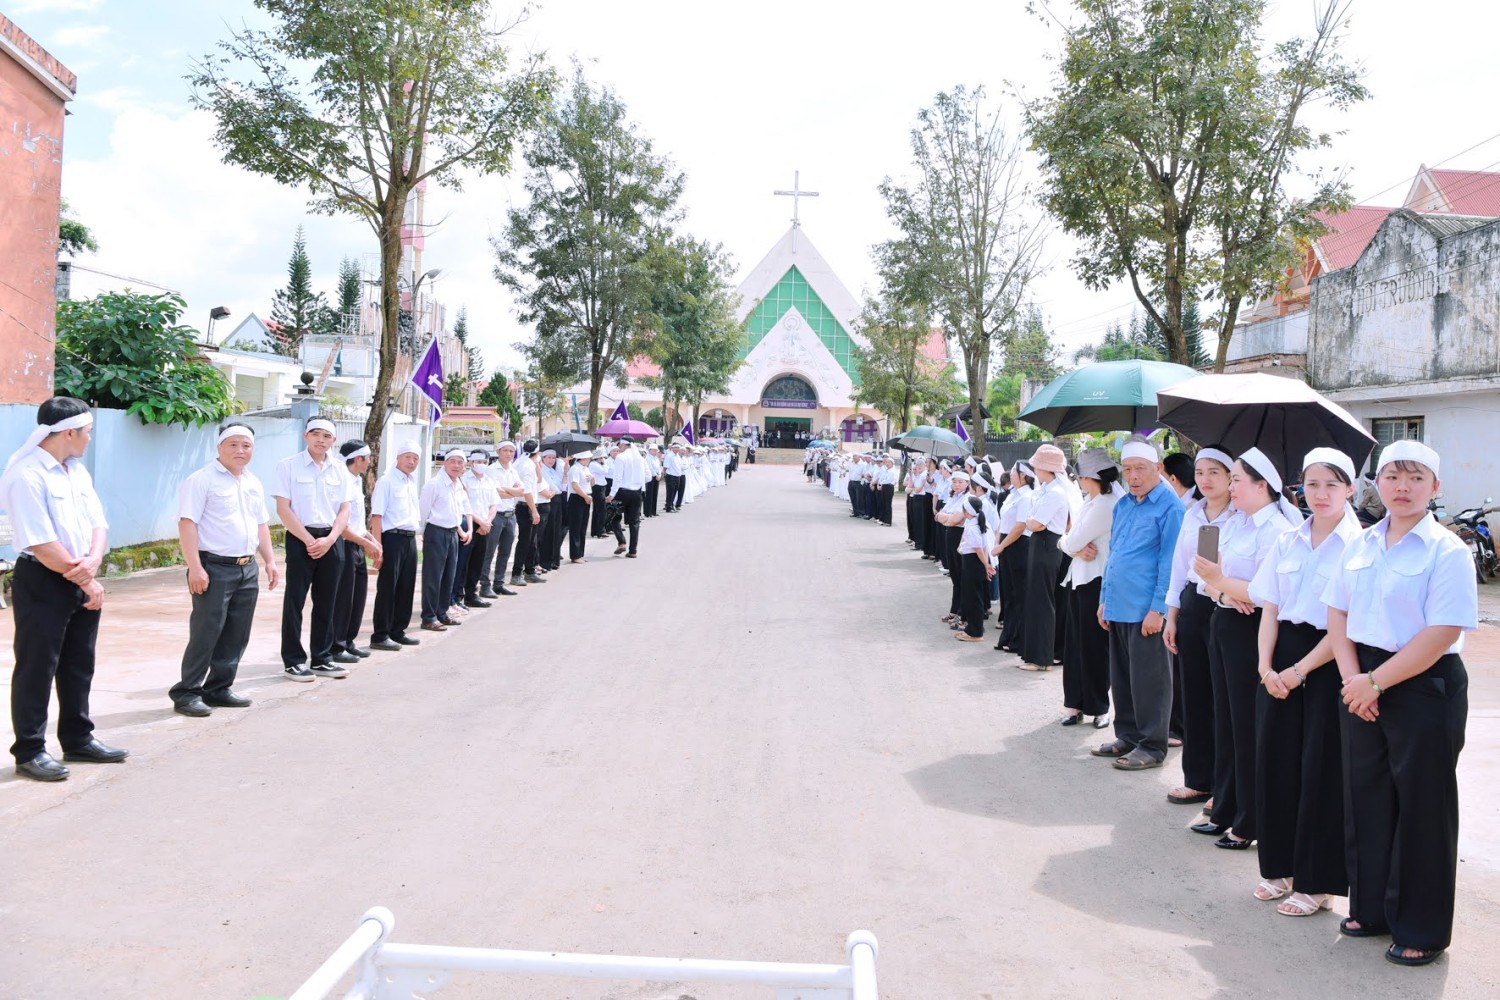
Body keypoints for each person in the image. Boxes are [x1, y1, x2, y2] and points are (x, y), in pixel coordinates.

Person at [1325, 440, 1476, 966]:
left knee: (1422, 808)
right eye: (1392, 477)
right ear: (1377, 485)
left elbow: (1443, 631)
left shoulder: (1447, 551)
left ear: (1435, 487)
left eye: (1415, 478)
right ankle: (1371, 909)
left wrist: (1375, 683)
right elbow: (1337, 614)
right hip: (1361, 678)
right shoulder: (1360, 542)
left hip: (1423, 682)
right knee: (1366, 796)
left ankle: (1421, 928)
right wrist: (1354, 680)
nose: (1402, 487)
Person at [1247, 448, 1361, 919]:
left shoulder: (1361, 544)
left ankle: (1317, 883)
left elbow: (1345, 624)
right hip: (1279, 659)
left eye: (1332, 484)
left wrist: (1299, 671)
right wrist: (1264, 667)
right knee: (1275, 763)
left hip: (1329, 658)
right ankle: (1279, 868)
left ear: (1350, 489)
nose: (1320, 493)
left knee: (1321, 770)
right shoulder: (1288, 539)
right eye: (1312, 484)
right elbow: (1269, 608)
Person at [1, 397, 122, 781]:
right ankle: (30, 751)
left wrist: (93, 561)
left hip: (81, 574)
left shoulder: (77, 472)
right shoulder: (27, 475)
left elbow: (98, 524)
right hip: (43, 580)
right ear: (69, 432)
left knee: (78, 664)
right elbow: (41, 543)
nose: (89, 439)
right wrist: (87, 579)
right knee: (38, 665)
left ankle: (77, 738)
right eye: (87, 432)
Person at [1192, 447, 1302, 848]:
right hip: (1224, 623)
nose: (1231, 486)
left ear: (1262, 485)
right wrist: (1224, 590)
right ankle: (1224, 809)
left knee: (1247, 725)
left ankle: (1249, 821)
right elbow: (1201, 577)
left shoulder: (1277, 531)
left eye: (1237, 479)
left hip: (1254, 632)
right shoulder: (1236, 522)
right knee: (1225, 721)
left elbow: (1262, 594)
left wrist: (1223, 584)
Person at [170, 423, 279, 717]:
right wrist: (195, 567)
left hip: (246, 567)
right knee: (206, 632)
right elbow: (187, 523)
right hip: (213, 567)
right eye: (233, 444)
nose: (240, 451)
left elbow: (260, 524)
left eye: (246, 445)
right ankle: (187, 692)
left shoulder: (253, 482)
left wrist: (269, 561)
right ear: (219, 447)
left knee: (237, 633)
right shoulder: (201, 480)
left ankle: (218, 688)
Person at [1092, 438, 1185, 772]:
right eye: (1127, 469)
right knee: (1123, 678)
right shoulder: (1124, 504)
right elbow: (1115, 553)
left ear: (1157, 468)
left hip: (1146, 608)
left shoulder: (1170, 507)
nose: (1132, 476)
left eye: (1140, 469)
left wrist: (1158, 609)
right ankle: (1128, 736)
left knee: (1150, 681)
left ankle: (1152, 745)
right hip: (1118, 603)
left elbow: (1170, 561)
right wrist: (1104, 599)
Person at [1163, 446, 1236, 808]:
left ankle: (1225, 786)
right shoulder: (1192, 513)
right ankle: (1198, 778)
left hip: (1229, 605)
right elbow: (1179, 566)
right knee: (1194, 695)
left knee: (1224, 699)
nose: (1206, 480)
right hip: (1194, 603)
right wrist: (1172, 615)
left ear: (1231, 477)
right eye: (1200, 473)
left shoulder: (1242, 515)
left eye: (1214, 473)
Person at [272, 417, 352, 682]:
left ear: (333, 440)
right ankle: (293, 661)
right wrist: (308, 540)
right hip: (300, 538)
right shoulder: (288, 466)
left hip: (332, 540)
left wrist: (330, 539)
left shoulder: (339, 469)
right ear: (305, 436)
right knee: (295, 601)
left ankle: (322, 658)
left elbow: (344, 509)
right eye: (316, 434)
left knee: (328, 601)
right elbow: (283, 508)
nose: (321, 440)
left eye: (327, 436)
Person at [1058, 448, 1118, 728]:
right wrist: (1071, 546)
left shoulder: (1106, 504)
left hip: (1096, 581)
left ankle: (1099, 707)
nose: (1078, 479)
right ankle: (1075, 703)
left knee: (1095, 646)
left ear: (1089, 476)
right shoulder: (1090, 500)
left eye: (1080, 475)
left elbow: (1071, 541)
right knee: (1075, 645)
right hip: (1079, 578)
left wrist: (1070, 545)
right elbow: (1069, 541)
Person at [1019, 444, 1070, 672]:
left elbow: (1036, 523)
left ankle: (1042, 658)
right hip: (1041, 544)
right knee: (1038, 599)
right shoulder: (1047, 490)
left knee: (1043, 601)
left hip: (1047, 545)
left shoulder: (1056, 493)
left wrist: (1031, 520)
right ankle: (1040, 655)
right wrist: (1031, 520)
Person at [330, 440, 382, 664]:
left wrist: (370, 539)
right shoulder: (341, 481)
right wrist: (364, 541)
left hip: (358, 544)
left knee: (357, 598)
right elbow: (341, 525)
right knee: (343, 599)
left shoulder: (356, 480)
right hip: (345, 546)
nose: (369, 462)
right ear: (359, 459)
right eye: (368, 458)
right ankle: (336, 646)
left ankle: (348, 641)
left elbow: (357, 521)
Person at [368, 439, 422, 651]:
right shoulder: (386, 482)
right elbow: (377, 516)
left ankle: (398, 631)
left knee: (406, 587)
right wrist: (378, 547)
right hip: (392, 539)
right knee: (388, 588)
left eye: (415, 458)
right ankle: (380, 635)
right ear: (398, 458)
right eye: (408, 457)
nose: (411, 462)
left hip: (409, 539)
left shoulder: (410, 482)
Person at [419, 449, 471, 631]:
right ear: (445, 463)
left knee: (449, 575)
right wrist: (424, 532)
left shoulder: (458, 485)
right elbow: (423, 511)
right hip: (436, 532)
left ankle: (442, 612)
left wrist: (463, 531)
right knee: (433, 576)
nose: (456, 465)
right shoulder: (434, 484)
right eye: (452, 461)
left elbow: (461, 509)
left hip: (452, 533)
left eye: (460, 462)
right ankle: (429, 617)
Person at [992, 463, 1035, 653]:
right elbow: (1003, 521)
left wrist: (1002, 545)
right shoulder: (1012, 494)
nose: (1010, 474)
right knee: (1008, 594)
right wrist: (998, 542)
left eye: (1014, 472)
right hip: (1006, 544)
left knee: (1018, 594)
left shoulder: (1027, 496)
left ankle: (1018, 639)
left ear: (1023, 475)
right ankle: (1007, 636)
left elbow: (1020, 526)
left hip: (1019, 545)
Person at [485, 440, 525, 596]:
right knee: (489, 551)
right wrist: (512, 491)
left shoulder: (513, 469)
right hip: (496, 515)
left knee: (505, 552)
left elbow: (522, 490)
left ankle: (499, 583)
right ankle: (484, 585)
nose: (508, 454)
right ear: (498, 451)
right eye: (505, 450)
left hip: (510, 514)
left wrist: (506, 490)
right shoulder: (491, 470)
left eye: (511, 451)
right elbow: (496, 493)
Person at [954, 495, 996, 642]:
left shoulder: (973, 526)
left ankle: (975, 632)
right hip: (974, 562)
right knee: (972, 597)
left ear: (967, 511)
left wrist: (986, 565)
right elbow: (983, 547)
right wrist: (986, 565)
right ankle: (971, 629)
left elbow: (978, 549)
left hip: (973, 562)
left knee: (973, 599)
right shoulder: (976, 523)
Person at [460, 451, 498, 608]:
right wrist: (480, 522)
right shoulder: (464, 479)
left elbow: (494, 504)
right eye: (477, 461)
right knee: (464, 562)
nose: (480, 464)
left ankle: (471, 595)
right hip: (469, 524)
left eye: (484, 462)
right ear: (470, 462)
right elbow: (465, 505)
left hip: (486, 525)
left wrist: (487, 522)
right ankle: (458, 596)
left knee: (478, 562)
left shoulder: (489, 481)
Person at [510, 440, 546, 586]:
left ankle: (529, 571)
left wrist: (537, 464)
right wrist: (534, 511)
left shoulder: (522, 461)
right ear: (537, 452)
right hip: (526, 506)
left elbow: (539, 480)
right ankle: (517, 573)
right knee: (525, 542)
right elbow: (527, 491)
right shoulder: (527, 465)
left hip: (526, 505)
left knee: (531, 542)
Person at [608, 435, 648, 558]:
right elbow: (648, 476)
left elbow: (617, 478)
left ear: (624, 444)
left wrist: (611, 495)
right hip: (637, 493)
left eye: (620, 445)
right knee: (634, 522)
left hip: (622, 492)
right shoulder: (640, 458)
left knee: (614, 518)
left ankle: (621, 542)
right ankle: (633, 550)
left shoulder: (621, 457)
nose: (619, 447)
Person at [567, 451, 594, 563]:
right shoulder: (575, 469)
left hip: (586, 497)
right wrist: (585, 496)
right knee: (575, 527)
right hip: (577, 498)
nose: (589, 460)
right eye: (588, 458)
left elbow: (591, 484)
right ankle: (575, 555)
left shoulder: (585, 468)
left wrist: (592, 478)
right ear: (583, 458)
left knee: (583, 526)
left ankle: (580, 553)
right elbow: (575, 485)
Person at [663, 443, 686, 513]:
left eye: (678, 448)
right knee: (670, 493)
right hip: (671, 476)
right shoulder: (669, 456)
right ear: (672, 448)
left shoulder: (677, 456)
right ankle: (668, 507)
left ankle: (671, 505)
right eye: (675, 447)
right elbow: (665, 466)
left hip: (677, 476)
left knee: (674, 492)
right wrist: (664, 474)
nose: (677, 449)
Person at [644, 444, 662, 516]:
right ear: (650, 450)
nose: (655, 451)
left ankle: (653, 511)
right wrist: (655, 475)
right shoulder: (648, 458)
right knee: (649, 494)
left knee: (655, 494)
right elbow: (650, 468)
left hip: (657, 476)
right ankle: (648, 512)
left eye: (656, 450)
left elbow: (659, 467)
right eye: (653, 450)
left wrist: (659, 474)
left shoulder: (656, 458)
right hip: (650, 477)